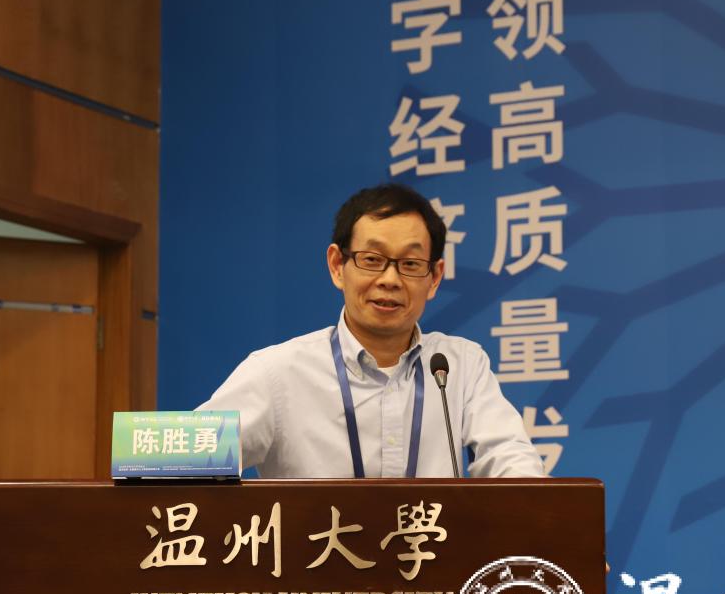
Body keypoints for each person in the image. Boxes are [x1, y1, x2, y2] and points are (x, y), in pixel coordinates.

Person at [196, 184, 545, 478]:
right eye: (372, 260)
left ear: (434, 277)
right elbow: (184, 460)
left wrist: (542, 518)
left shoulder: (459, 366)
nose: (390, 280)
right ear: (337, 265)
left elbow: (511, 460)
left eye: (410, 264)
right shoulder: (278, 373)